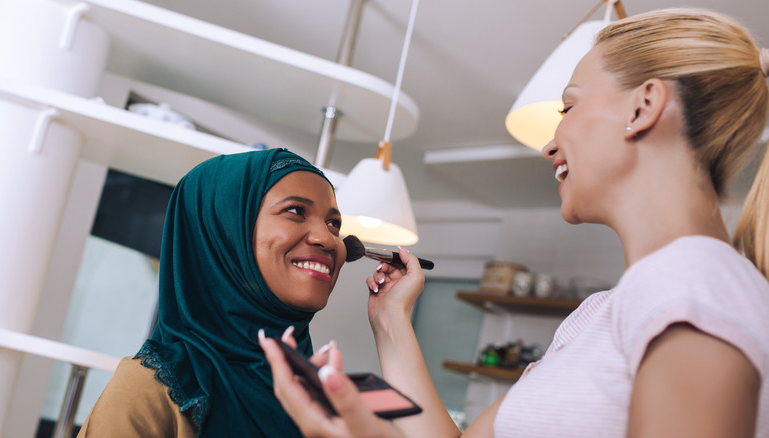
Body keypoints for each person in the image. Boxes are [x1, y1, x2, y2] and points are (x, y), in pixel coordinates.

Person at [260, 8, 769, 437]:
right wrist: (392, 319)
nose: (551, 142)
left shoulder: (693, 284)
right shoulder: (602, 314)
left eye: (568, 106)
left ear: (645, 106)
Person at [78, 148, 347, 437]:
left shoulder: (325, 399)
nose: (327, 239)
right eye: (295, 211)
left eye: (334, 224)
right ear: (227, 232)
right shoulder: (149, 390)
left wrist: (389, 322)